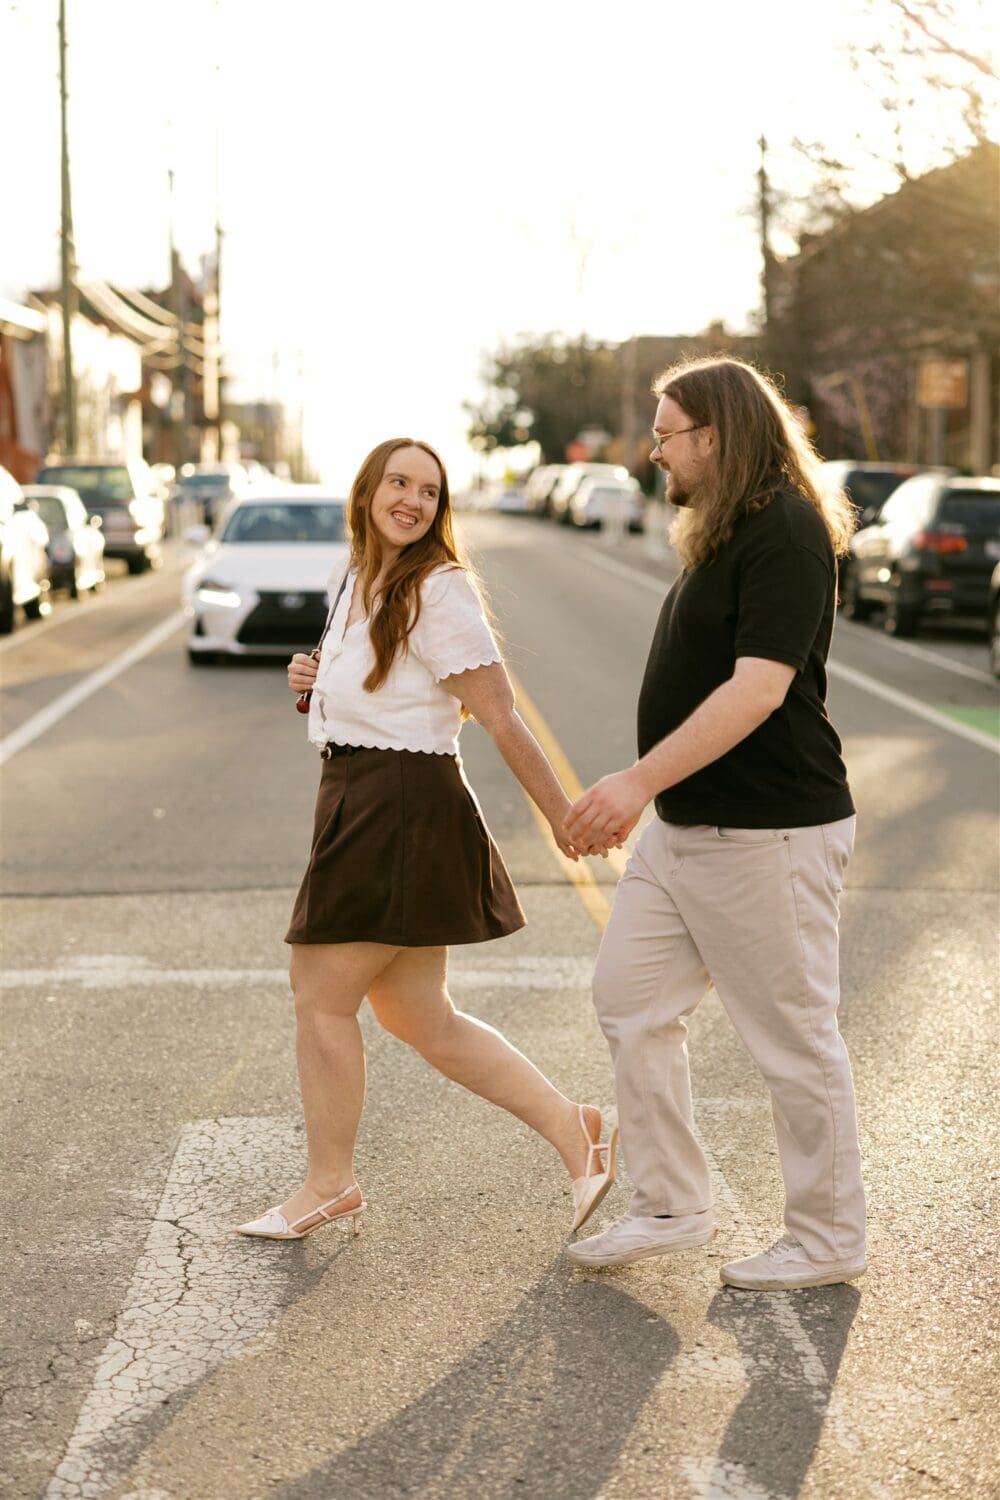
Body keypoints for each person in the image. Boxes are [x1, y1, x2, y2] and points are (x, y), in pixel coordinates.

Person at [236, 437, 619, 1242]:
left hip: (399, 805)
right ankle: (575, 1129)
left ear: (441, 509)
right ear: (368, 489)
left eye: (429, 490)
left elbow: (499, 711)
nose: (411, 500)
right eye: (398, 483)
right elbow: (376, 691)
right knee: (420, 1017)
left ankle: (328, 1183)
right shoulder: (357, 577)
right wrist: (314, 684)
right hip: (359, 794)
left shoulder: (438, 589)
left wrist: (559, 815)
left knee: (320, 998)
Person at [562, 357, 866, 1291]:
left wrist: (635, 784)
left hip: (769, 833)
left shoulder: (785, 529)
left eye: (666, 434)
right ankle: (670, 1203)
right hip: (690, 835)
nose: (655, 452)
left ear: (717, 435)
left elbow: (760, 689)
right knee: (630, 1000)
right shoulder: (727, 526)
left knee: (793, 1039)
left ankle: (826, 1236)